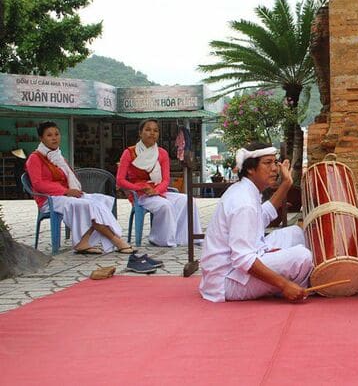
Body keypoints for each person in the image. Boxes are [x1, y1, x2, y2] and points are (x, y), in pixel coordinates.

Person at [199, 143, 313, 303]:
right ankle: (291, 288)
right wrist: (285, 284)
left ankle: (290, 281)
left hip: (237, 267)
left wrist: (286, 184)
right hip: (226, 281)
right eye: (268, 163)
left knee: (295, 233)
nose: (275, 168)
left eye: (275, 162)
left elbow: (263, 215)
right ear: (251, 169)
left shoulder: (245, 189)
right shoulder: (243, 202)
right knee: (303, 257)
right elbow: (243, 259)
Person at [25, 121, 134, 254]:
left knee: (101, 200)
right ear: (41, 138)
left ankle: (83, 241)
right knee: (88, 205)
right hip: (49, 199)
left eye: (57, 134)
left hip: (65, 196)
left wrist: (72, 191)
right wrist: (66, 191)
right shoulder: (35, 158)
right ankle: (116, 240)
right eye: (49, 135)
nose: (54, 138)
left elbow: (69, 178)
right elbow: (38, 184)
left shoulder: (58, 157)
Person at [116, 119, 202, 247]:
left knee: (188, 200)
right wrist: (141, 187)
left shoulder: (162, 153)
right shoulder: (129, 153)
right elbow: (120, 180)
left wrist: (156, 191)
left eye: (155, 130)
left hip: (159, 191)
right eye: (148, 130)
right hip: (140, 195)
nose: (152, 133)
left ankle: (186, 238)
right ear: (140, 133)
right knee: (165, 205)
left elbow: (166, 180)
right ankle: (159, 239)